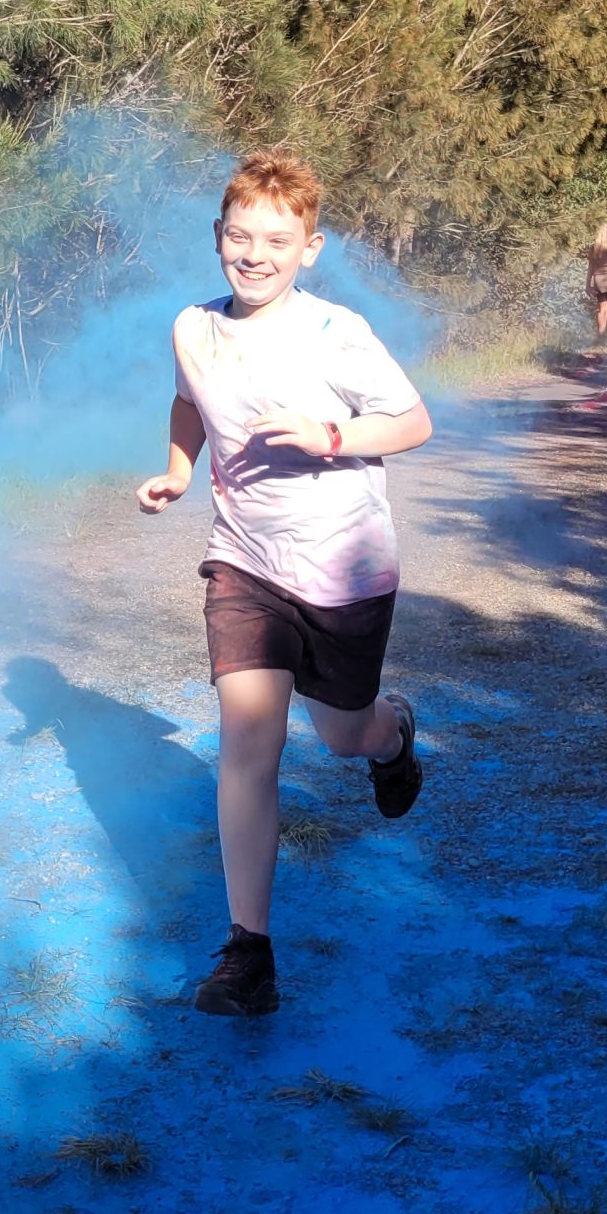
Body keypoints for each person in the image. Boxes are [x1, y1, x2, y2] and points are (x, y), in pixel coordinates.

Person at [134, 150, 431, 1019]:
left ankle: (393, 734)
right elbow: (191, 400)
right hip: (246, 561)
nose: (254, 253)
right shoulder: (192, 326)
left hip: (344, 567)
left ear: (312, 246)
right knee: (247, 744)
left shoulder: (336, 333)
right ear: (218, 238)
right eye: (239, 235)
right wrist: (178, 471)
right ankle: (248, 953)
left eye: (277, 238)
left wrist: (329, 435)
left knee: (342, 736)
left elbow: (413, 421)